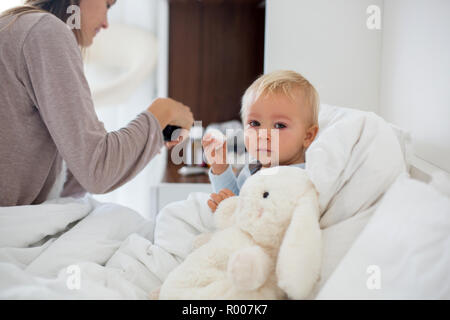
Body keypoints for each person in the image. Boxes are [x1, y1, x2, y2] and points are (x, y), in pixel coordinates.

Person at [0, 0, 193, 206]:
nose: (106, 24)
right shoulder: (45, 30)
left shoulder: (17, 26)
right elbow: (97, 171)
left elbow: (72, 177)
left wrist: (150, 137)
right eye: (108, 5)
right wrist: (163, 112)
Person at [202, 70, 320, 212]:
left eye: (279, 125)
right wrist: (221, 168)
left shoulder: (300, 179)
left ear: (307, 136)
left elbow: (273, 220)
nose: (263, 135)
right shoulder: (254, 167)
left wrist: (236, 210)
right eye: (255, 123)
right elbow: (235, 196)